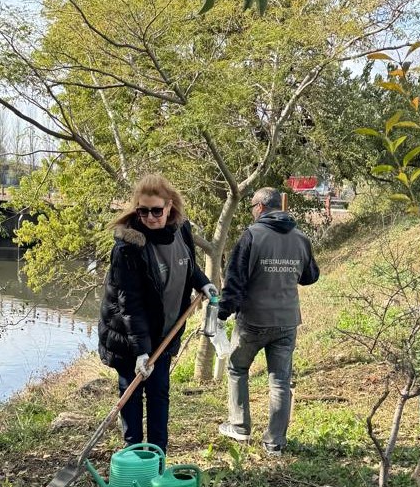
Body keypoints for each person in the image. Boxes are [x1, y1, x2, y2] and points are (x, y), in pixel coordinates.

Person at [97, 174, 217, 454]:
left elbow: (187, 264)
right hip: (128, 334)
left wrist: (203, 282)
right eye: (143, 211)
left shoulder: (181, 229)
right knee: (132, 393)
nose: (150, 217)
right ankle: (133, 453)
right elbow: (130, 303)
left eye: (156, 210)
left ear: (170, 206)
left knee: (159, 393)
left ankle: (157, 454)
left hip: (164, 332)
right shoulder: (128, 247)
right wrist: (141, 351)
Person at [216, 187, 320, 455]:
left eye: (252, 207)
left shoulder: (252, 236)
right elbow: (310, 276)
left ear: (260, 207)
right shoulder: (300, 237)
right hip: (287, 321)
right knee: (280, 381)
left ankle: (239, 425)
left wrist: (223, 312)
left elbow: (235, 280)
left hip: (253, 321)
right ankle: (274, 443)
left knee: (238, 368)